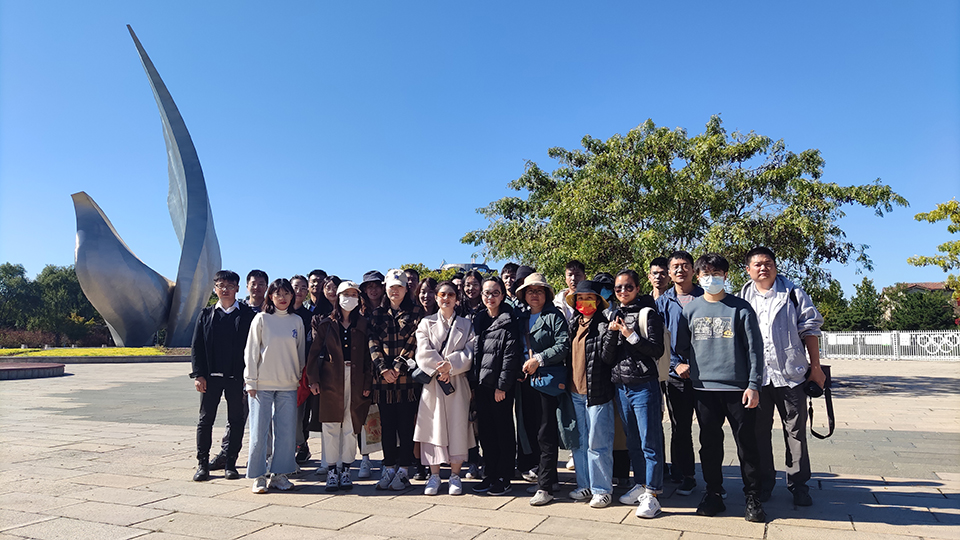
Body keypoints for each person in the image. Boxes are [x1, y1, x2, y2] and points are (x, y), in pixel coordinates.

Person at [675, 254, 766, 522]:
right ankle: (713, 493)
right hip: (704, 389)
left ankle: (753, 497)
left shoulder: (741, 308)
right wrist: (683, 366)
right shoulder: (690, 310)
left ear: (726, 276)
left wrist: (753, 385)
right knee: (709, 444)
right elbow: (681, 348)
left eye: (716, 273)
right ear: (698, 277)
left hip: (739, 390)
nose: (711, 278)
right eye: (705, 274)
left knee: (746, 445)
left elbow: (755, 350)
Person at [739, 247, 824, 507]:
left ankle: (798, 484)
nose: (763, 268)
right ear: (748, 270)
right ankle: (765, 483)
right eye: (757, 264)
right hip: (757, 378)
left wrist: (816, 367)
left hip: (791, 375)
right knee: (758, 433)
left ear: (775, 267)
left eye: (768, 263)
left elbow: (810, 329)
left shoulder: (793, 293)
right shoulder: (742, 298)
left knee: (796, 432)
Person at [607, 269, 666, 518]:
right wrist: (612, 335)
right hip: (621, 385)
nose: (623, 291)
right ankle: (641, 484)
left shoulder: (648, 314)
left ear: (638, 288)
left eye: (628, 287)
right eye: (618, 288)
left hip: (644, 385)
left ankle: (653, 493)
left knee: (649, 441)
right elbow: (608, 356)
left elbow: (657, 350)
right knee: (632, 441)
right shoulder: (613, 314)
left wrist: (631, 336)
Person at [307, 281, 374, 493]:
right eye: (346, 294)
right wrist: (313, 379)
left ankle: (346, 469)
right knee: (330, 425)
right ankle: (332, 470)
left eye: (354, 294)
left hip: (356, 378)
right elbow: (313, 353)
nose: (350, 298)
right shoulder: (326, 324)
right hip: (331, 380)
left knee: (351, 425)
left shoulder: (363, 324)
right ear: (338, 296)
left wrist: (367, 382)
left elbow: (368, 356)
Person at [189, 270, 256, 482]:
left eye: (230, 285)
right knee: (205, 420)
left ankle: (230, 464)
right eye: (221, 285)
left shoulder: (247, 315)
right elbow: (197, 346)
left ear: (237, 288)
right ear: (215, 288)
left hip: (237, 377)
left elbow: (253, 348)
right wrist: (199, 375)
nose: (225, 289)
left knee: (236, 420)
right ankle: (202, 464)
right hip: (210, 377)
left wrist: (249, 376)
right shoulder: (206, 314)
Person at [414, 280, 477, 495]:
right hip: (433, 383)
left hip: (456, 381)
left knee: (458, 426)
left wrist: (451, 366)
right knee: (433, 427)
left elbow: (470, 351)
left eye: (450, 294)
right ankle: (434, 475)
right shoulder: (426, 323)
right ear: (436, 297)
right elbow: (422, 351)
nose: (446, 298)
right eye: (442, 294)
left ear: (457, 299)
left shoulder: (466, 324)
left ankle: (455, 475)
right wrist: (441, 368)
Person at [244, 278, 306, 494]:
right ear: (270, 296)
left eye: (287, 293)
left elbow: (300, 352)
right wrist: (250, 381)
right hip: (262, 384)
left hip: (288, 385)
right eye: (278, 294)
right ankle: (258, 476)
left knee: (286, 433)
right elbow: (251, 351)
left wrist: (297, 375)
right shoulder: (262, 319)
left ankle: (279, 475)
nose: (283, 298)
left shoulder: (296, 321)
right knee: (259, 431)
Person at [517, 273, 571, 506]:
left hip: (546, 380)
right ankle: (548, 478)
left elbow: (563, 345)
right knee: (532, 430)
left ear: (546, 294)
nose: (534, 295)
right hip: (526, 381)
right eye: (530, 291)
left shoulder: (554, 316)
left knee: (545, 432)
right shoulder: (521, 317)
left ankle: (545, 487)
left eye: (539, 291)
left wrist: (539, 359)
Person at [369, 269, 424, 491]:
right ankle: (389, 467)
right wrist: (383, 369)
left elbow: (414, 342)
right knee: (387, 427)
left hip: (406, 381)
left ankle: (404, 471)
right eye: (392, 287)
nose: (395, 291)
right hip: (383, 381)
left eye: (399, 287)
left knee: (406, 426)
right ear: (386, 289)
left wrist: (398, 367)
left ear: (406, 289)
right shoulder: (377, 314)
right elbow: (372, 343)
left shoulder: (416, 312)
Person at [208, 268, 269, 472]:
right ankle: (227, 454)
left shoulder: (271, 310)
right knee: (236, 417)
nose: (257, 287)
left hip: (266, 373)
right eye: (253, 283)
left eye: (261, 284)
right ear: (246, 286)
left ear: (266, 287)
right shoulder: (239, 309)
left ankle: (265, 457)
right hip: (241, 373)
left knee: (264, 420)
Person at [564, 280, 617, 508]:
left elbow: (607, 358)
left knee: (598, 443)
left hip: (597, 393)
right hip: (575, 392)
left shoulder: (604, 326)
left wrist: (612, 335)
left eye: (589, 298)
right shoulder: (573, 324)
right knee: (579, 442)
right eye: (580, 298)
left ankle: (602, 490)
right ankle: (584, 485)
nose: (584, 302)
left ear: (597, 301)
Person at [655, 251, 702, 495]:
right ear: (669, 273)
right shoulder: (663, 303)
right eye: (675, 267)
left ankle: (714, 479)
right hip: (677, 376)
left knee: (710, 429)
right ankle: (686, 474)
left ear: (693, 270)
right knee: (680, 428)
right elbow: (659, 341)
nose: (680, 270)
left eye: (685, 266)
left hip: (706, 375)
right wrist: (675, 365)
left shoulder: (707, 297)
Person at [471, 276, 522, 496]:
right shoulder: (479, 318)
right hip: (481, 384)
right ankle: (490, 474)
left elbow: (511, 356)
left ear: (502, 295)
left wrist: (502, 386)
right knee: (486, 432)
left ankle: (504, 476)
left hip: (499, 388)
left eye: (495, 293)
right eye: (486, 293)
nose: (490, 297)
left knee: (503, 432)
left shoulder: (509, 320)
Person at [291, 275, 315, 465]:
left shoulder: (308, 317)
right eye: (295, 287)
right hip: (280, 369)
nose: (299, 291)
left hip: (301, 370)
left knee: (299, 413)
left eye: (303, 288)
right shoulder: (279, 312)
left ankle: (301, 445)